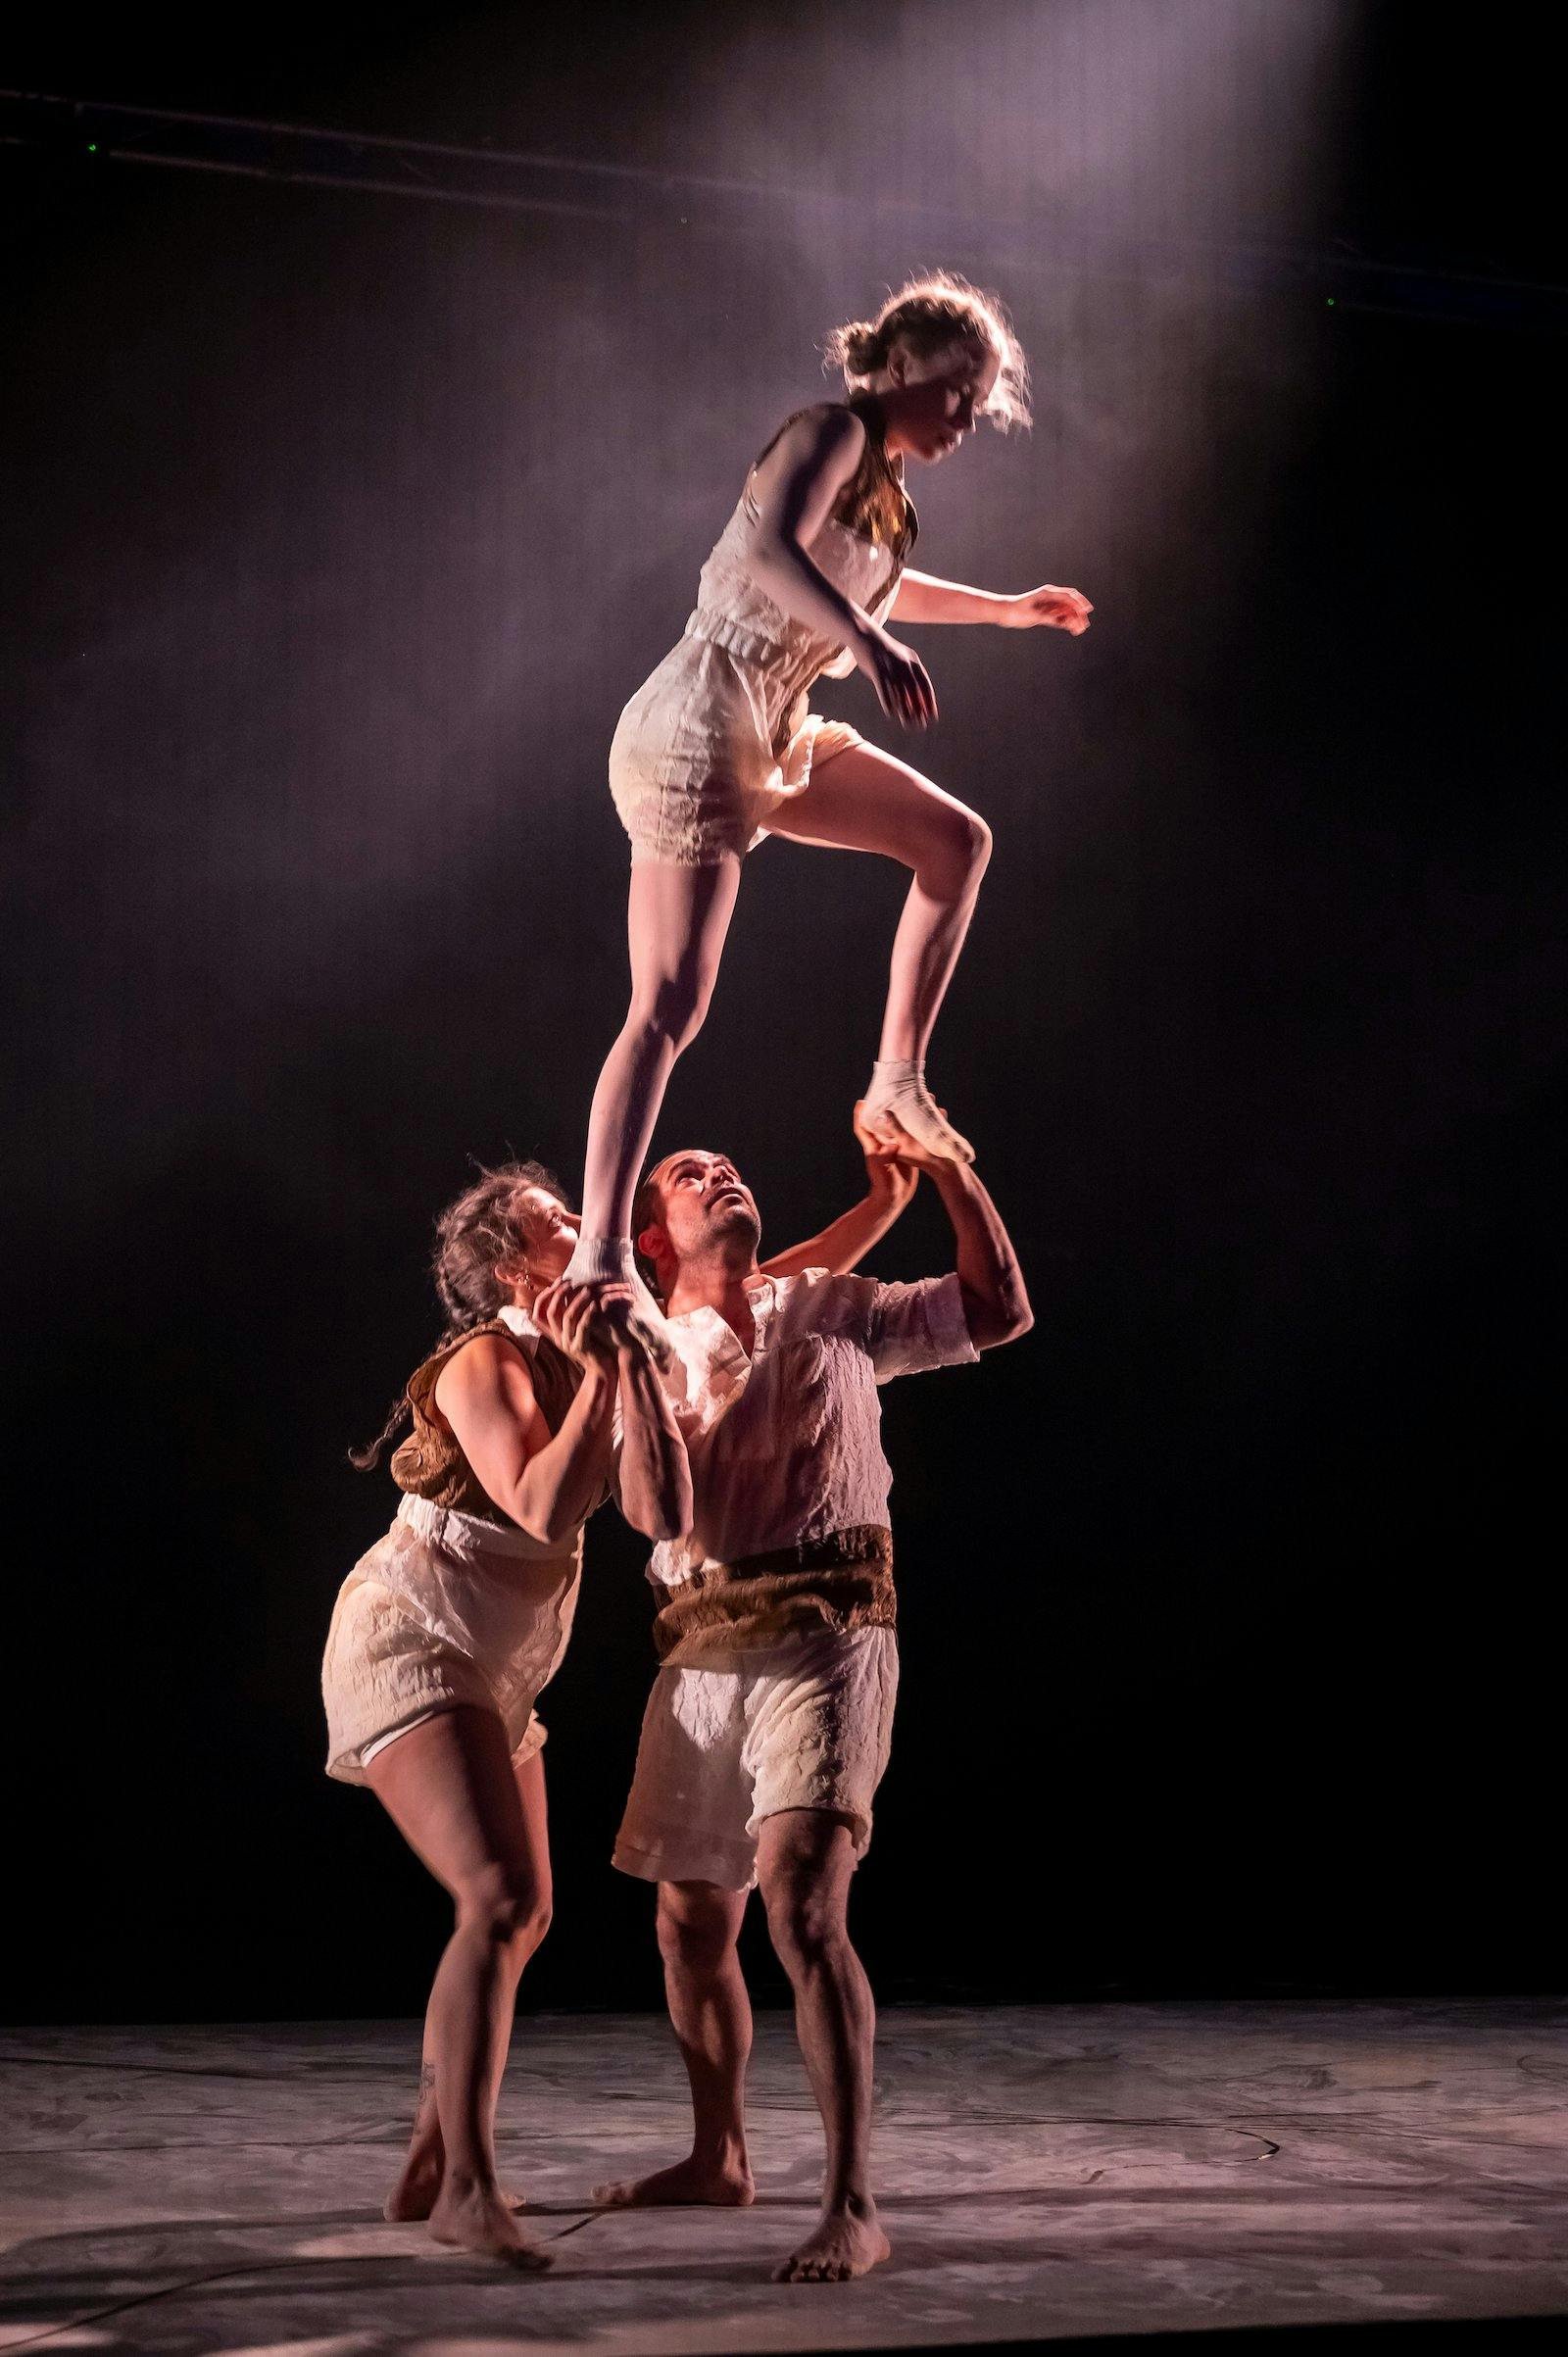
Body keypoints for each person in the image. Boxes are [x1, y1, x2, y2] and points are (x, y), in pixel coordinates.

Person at [321, 1127, 917, 2265]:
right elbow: (544, 1511)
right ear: (517, 1273)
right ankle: (467, 2187)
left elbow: (774, 1276)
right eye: (560, 1223)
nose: (590, 1233)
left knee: (526, 1912)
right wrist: (606, 1373)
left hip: (502, 1664)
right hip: (416, 1635)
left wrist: (881, 1201)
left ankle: (425, 2161)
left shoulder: (624, 1332)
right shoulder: (488, 1360)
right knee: (498, 1899)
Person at [563, 270, 1090, 1347]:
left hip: (776, 728)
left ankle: (897, 1080)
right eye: (955, 393)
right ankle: (604, 1246)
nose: (964, 419)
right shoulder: (824, 435)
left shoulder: (890, 495)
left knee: (954, 840)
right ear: (897, 367)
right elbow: (771, 551)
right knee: (667, 1004)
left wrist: (1009, 611)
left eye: (977, 405)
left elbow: (888, 591)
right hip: (702, 719)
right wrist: (867, 642)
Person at [593, 1117, 1033, 2282]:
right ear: (652, 1233)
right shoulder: (649, 1340)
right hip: (698, 1646)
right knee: (690, 1922)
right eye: (690, 1171)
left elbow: (998, 1310)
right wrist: (630, 1355)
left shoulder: (829, 1304)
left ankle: (851, 2200)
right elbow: (649, 1504)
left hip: (830, 1627)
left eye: (729, 1160)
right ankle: (718, 2154)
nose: (721, 1167)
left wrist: (946, 1167)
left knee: (800, 1895)